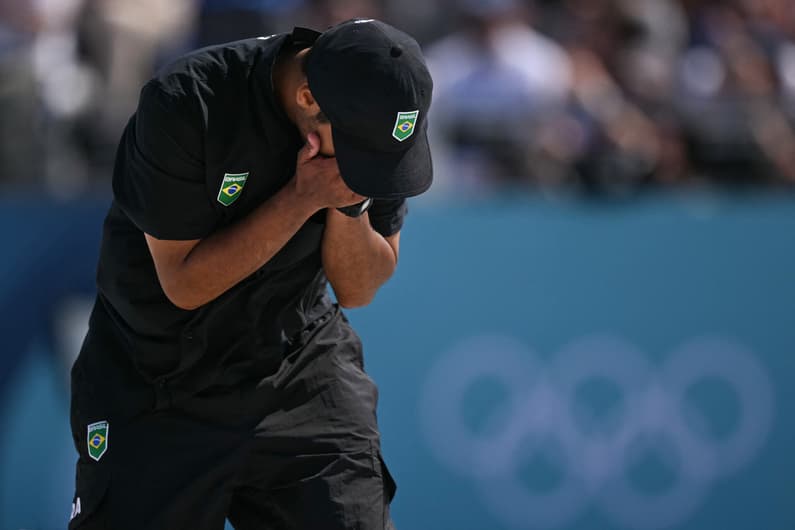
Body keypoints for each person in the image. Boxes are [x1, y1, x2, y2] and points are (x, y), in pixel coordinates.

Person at [68, 18, 433, 530]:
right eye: (359, 157)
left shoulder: (372, 115)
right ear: (308, 98)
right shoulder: (188, 101)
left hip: (298, 364)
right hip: (158, 379)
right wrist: (303, 197)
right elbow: (184, 285)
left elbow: (358, 288)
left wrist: (347, 204)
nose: (369, 170)